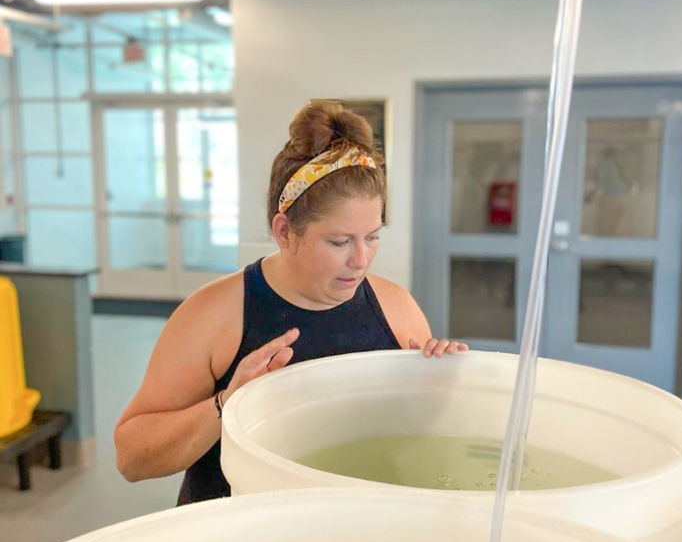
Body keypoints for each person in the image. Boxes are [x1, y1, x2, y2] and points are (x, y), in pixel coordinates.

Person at [115, 101, 468, 505]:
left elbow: (413, 434)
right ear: (285, 231)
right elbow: (131, 459)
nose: (361, 260)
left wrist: (443, 385)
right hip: (239, 539)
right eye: (339, 242)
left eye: (372, 236)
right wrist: (228, 402)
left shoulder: (397, 309)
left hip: (357, 530)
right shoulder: (214, 316)